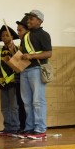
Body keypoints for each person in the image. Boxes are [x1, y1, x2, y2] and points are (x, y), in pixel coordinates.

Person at [18, 10, 52, 140]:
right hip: (24, 70)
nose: (28, 21)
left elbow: (48, 53)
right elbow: (21, 52)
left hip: (37, 69)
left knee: (38, 101)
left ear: (40, 21)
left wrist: (32, 56)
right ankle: (29, 127)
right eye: (28, 19)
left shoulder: (44, 35)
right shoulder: (26, 36)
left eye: (32, 18)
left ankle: (40, 129)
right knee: (27, 101)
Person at [0, 25, 20, 137]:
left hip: (13, 81)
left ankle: (15, 127)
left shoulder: (17, 49)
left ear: (12, 37)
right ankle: (8, 127)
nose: (4, 37)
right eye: (3, 35)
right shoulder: (0, 50)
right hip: (3, 82)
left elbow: (19, 64)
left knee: (13, 106)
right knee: (5, 106)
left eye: (7, 35)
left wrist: (13, 51)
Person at [15, 16, 29, 131]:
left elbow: (24, 61)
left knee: (27, 103)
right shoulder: (21, 43)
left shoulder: (28, 42)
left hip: (28, 75)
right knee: (20, 103)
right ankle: (22, 126)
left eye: (20, 30)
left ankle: (28, 126)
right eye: (17, 30)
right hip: (20, 76)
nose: (18, 33)